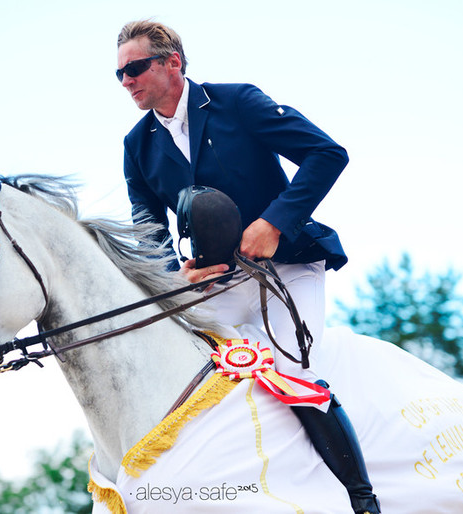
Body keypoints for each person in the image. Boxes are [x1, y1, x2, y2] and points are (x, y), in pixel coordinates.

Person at [117, 20, 380, 514]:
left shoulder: (236, 102)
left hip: (288, 268)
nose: (127, 81)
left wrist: (274, 223)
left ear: (173, 62)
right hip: (213, 282)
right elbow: (147, 225)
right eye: (120, 75)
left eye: (135, 68)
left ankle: (363, 501)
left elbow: (326, 154)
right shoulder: (136, 145)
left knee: (290, 371)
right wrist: (174, 274)